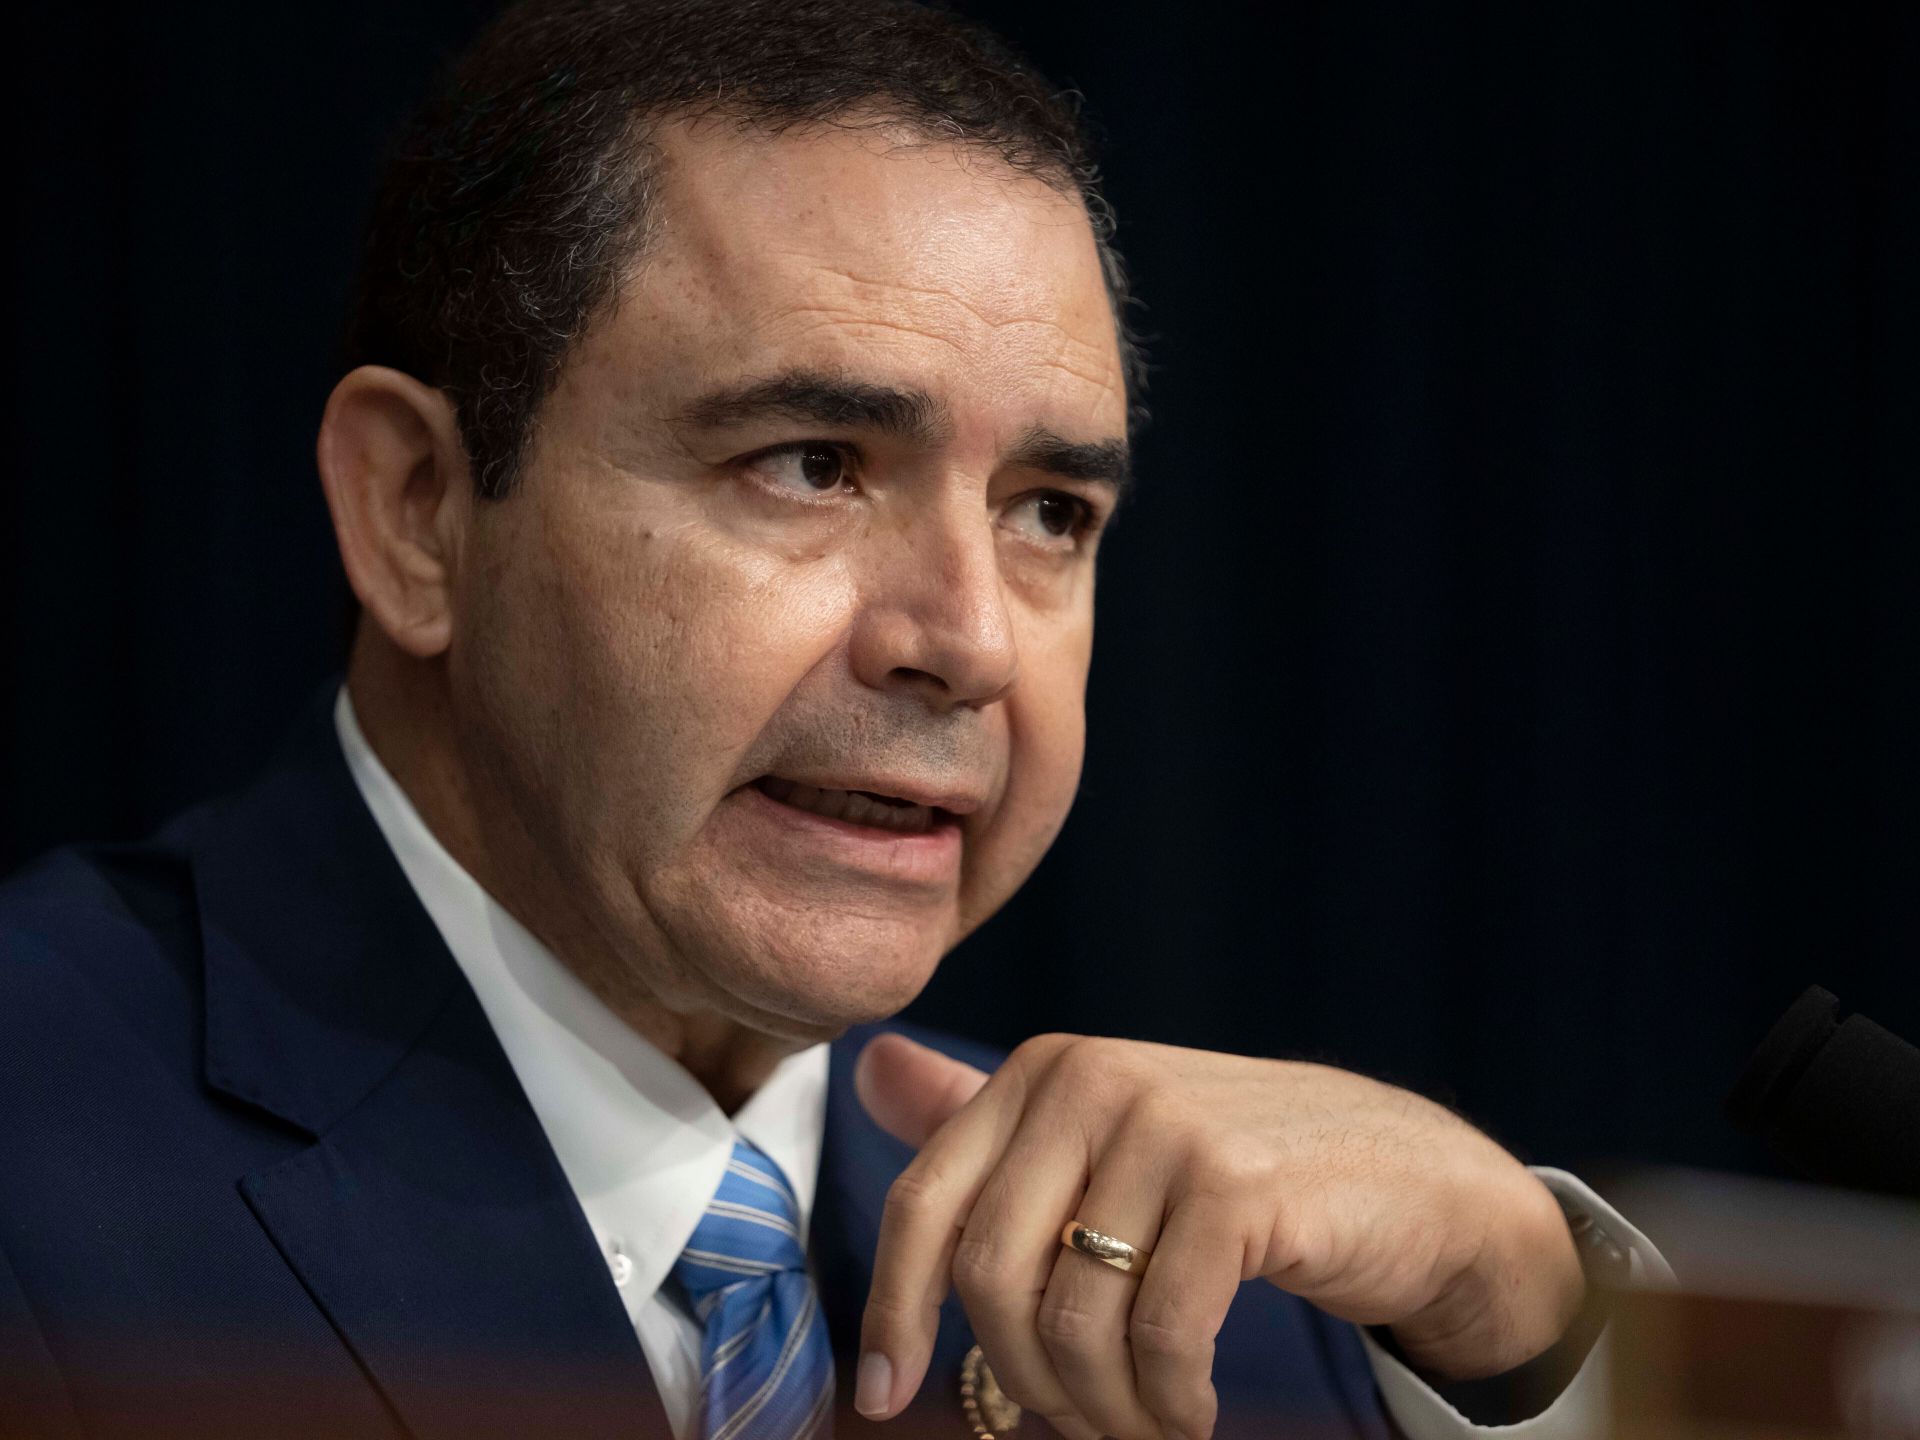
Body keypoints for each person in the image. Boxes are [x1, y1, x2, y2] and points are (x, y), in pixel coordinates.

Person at [0, 2, 1665, 1437]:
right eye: (813, 466)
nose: (970, 644)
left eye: (1049, 512)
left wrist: (1514, 1311)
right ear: (419, 511)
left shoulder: (1223, 1288)